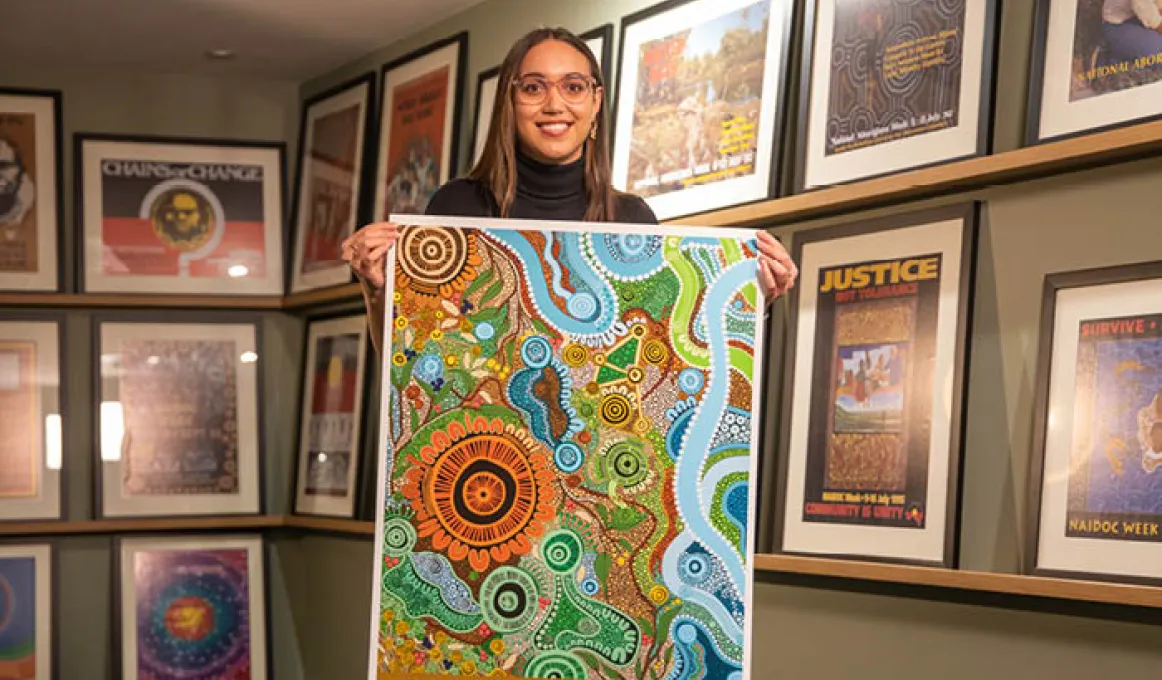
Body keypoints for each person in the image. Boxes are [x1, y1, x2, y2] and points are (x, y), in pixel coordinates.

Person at [342, 27, 798, 352]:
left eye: (573, 87)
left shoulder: (633, 220)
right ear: (510, 100)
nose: (555, 104)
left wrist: (752, 301)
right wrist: (375, 287)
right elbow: (410, 362)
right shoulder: (456, 207)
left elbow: (672, 359)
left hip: (598, 468)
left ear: (595, 101)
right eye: (534, 87)